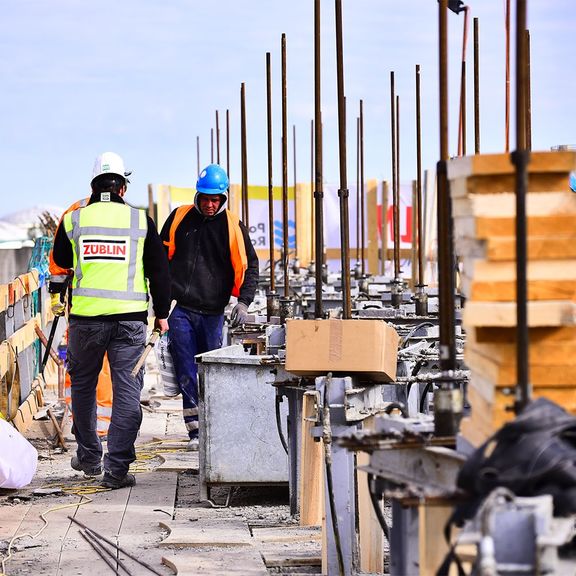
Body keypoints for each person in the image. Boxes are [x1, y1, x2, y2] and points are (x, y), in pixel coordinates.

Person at [49, 151, 170, 489]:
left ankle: (89, 458)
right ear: (122, 188)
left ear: (93, 186)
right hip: (130, 323)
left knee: (84, 388)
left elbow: (59, 260)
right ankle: (116, 471)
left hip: (85, 322)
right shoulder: (140, 221)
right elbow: (160, 273)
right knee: (127, 391)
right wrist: (162, 315)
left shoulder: (75, 220)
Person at [160, 164, 259, 451]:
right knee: (186, 369)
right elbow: (159, 257)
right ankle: (195, 431)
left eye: (215, 199)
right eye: (205, 198)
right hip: (180, 308)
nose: (210, 204)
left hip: (213, 313)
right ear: (198, 195)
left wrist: (243, 302)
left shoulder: (232, 226)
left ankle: (213, 427)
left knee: (210, 370)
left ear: (223, 198)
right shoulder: (179, 218)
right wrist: (160, 304)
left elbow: (250, 265)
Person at [49, 198, 114, 441]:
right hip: (99, 306)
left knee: (84, 365)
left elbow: (58, 261)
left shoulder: (75, 212)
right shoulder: (121, 212)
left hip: (88, 306)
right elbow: (59, 261)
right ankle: (88, 423)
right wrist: (57, 295)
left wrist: (57, 295)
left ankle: (90, 424)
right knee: (91, 365)